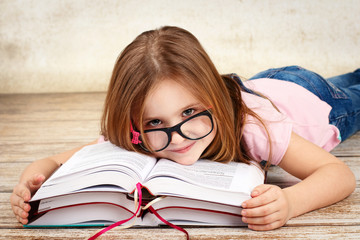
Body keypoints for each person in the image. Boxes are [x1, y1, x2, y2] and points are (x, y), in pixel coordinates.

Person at [11, 26, 359, 231]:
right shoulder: (134, 133)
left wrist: (290, 201)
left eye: (190, 112)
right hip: (268, 82)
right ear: (134, 122)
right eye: (154, 122)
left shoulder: (252, 124)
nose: (176, 137)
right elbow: (53, 162)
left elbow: (338, 174)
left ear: (212, 99)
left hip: (320, 101)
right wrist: (33, 180)